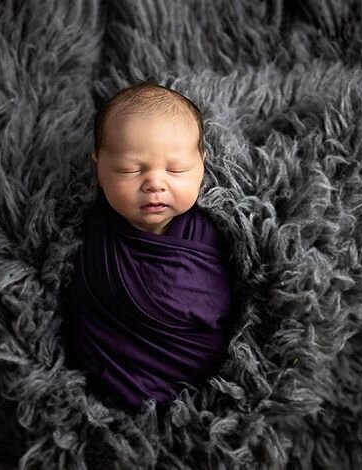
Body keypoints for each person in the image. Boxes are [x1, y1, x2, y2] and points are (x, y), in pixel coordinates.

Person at [63, 80, 236, 415]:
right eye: (130, 170)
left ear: (202, 162)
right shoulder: (90, 234)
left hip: (198, 389)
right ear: (98, 167)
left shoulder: (211, 234)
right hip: (107, 386)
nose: (155, 183)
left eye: (177, 169)